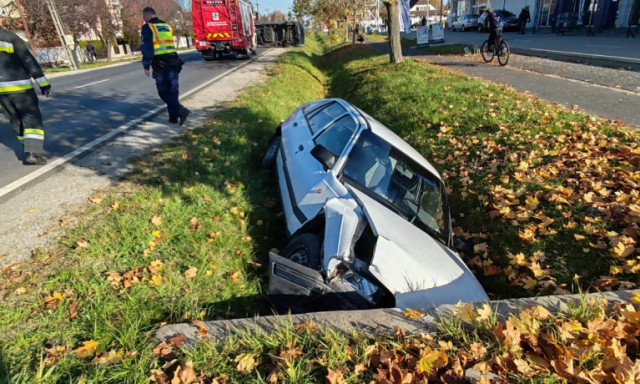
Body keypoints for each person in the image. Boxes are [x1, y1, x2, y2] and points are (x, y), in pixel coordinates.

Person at [0, 27, 51, 165]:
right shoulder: (10, 37)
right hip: (21, 88)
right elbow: (27, 60)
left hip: (2, 94)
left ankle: (27, 148)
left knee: (15, 120)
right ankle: (34, 152)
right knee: (31, 118)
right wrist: (43, 83)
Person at [141, 7, 189, 125]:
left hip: (161, 64)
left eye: (143, 17)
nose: (143, 19)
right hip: (174, 61)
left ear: (147, 15)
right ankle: (173, 118)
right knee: (173, 91)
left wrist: (146, 64)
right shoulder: (167, 26)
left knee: (163, 92)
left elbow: (147, 47)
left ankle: (181, 110)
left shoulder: (148, 27)